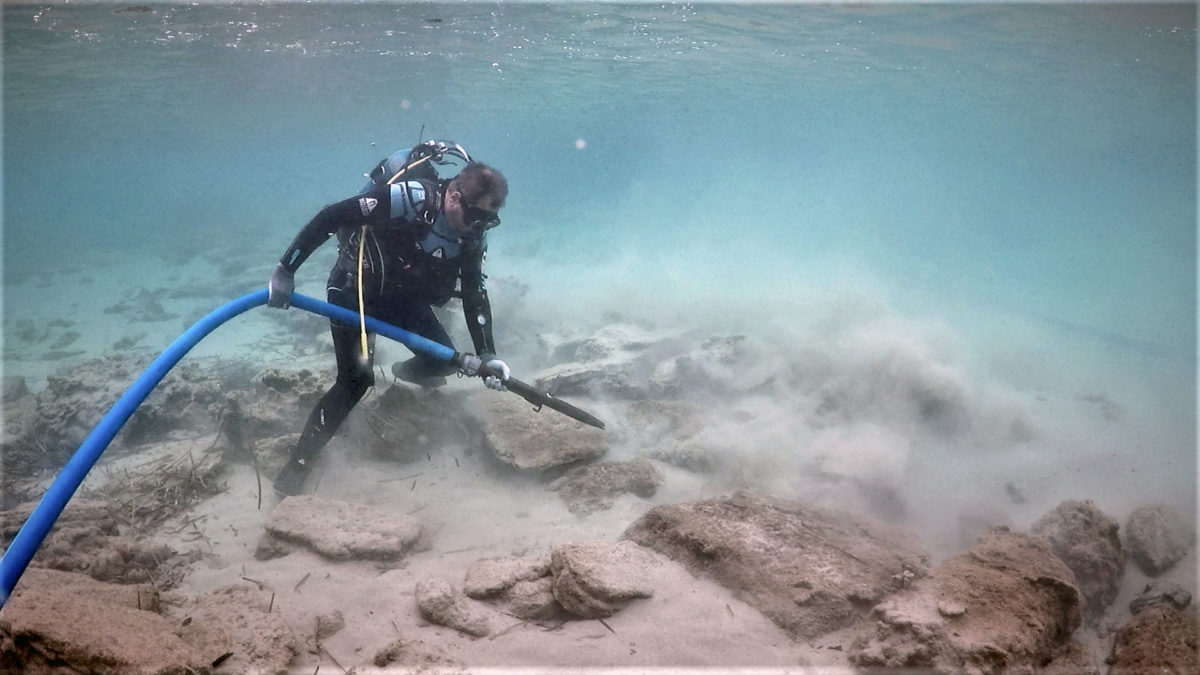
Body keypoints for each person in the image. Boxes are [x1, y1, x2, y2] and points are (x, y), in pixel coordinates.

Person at [266, 142, 512, 496]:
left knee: (442, 361)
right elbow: (331, 215)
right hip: (354, 292)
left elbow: (475, 292)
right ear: (454, 197)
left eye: (490, 220)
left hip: (403, 301)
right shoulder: (411, 198)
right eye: (476, 217)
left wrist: (488, 353)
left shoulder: (473, 237)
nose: (480, 227)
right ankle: (297, 466)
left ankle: (403, 375)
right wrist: (285, 270)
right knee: (355, 382)